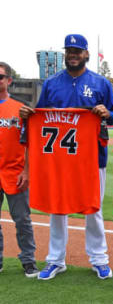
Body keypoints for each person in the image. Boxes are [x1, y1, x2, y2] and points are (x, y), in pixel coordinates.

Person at [19, 34, 113, 280]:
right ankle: (55, 260)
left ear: (86, 54)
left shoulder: (100, 83)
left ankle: (99, 259)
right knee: (57, 207)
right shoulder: (52, 83)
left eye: (77, 51)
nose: (73, 55)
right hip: (60, 158)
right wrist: (27, 114)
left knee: (93, 209)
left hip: (94, 157)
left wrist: (106, 112)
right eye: (69, 51)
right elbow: (38, 116)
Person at [0, 62, 38, 278]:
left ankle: (28, 261)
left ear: (8, 81)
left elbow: (31, 143)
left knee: (22, 220)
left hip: (15, 172)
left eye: (0, 77)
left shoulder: (21, 109)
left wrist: (27, 171)